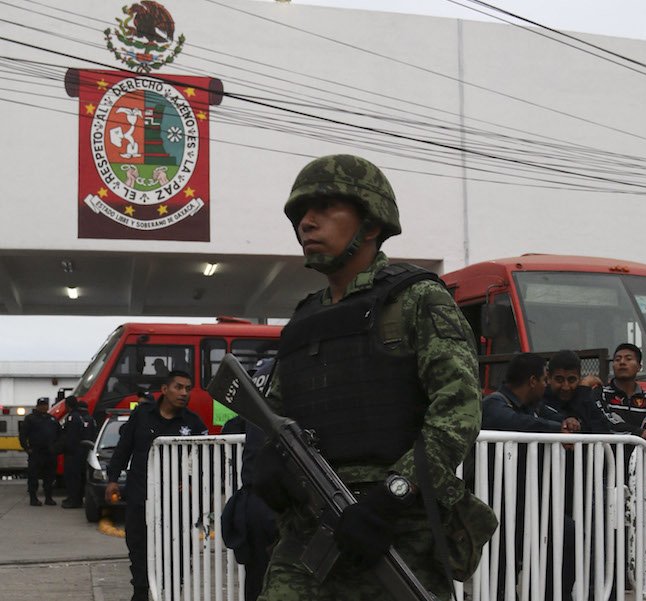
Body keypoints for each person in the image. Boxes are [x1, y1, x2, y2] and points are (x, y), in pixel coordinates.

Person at [252, 154, 483, 601]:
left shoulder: (417, 300)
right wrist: (265, 467)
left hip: (395, 529)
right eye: (300, 213)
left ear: (371, 225)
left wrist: (391, 495)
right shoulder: (304, 319)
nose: (307, 222)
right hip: (310, 526)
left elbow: (458, 412)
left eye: (324, 209)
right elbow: (275, 414)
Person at [105, 370, 208, 601]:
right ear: (164, 389)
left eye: (188, 389)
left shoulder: (193, 422)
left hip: (176, 502)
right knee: (138, 547)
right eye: (179, 387)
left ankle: (171, 593)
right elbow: (124, 448)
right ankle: (141, 592)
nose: (184, 393)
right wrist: (112, 479)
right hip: (140, 495)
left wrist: (193, 483)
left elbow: (206, 458)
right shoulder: (141, 415)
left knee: (178, 550)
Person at [482, 353, 576, 601]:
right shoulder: (494, 403)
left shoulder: (535, 407)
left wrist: (567, 424)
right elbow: (513, 423)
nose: (547, 385)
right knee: (500, 573)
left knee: (567, 534)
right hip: (497, 505)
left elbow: (554, 419)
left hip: (527, 504)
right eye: (546, 379)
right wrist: (557, 431)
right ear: (533, 381)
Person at [221, 359, 278, 601]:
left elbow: (232, 427)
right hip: (284, 499)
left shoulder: (262, 373)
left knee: (256, 583)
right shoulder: (296, 366)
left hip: (255, 495)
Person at [543, 350, 613, 434]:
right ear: (548, 378)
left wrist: (583, 391)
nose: (566, 387)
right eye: (559, 380)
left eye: (571, 380)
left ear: (579, 378)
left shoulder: (585, 397)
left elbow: (603, 431)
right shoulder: (539, 400)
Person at [19, 397, 61, 506]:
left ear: (48, 406)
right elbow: (23, 435)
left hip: (50, 454)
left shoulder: (53, 419)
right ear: (37, 406)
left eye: (45, 405)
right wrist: (27, 449)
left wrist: (57, 448)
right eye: (41, 405)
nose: (43, 407)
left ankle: (48, 498)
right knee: (33, 476)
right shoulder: (30, 419)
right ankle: (33, 499)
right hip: (36, 453)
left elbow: (60, 435)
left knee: (49, 477)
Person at [61, 395, 94, 508]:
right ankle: (74, 498)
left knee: (72, 477)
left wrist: (66, 449)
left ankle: (74, 500)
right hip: (80, 451)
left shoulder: (73, 417)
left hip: (73, 453)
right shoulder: (85, 418)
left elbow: (71, 436)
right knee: (76, 477)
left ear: (67, 405)